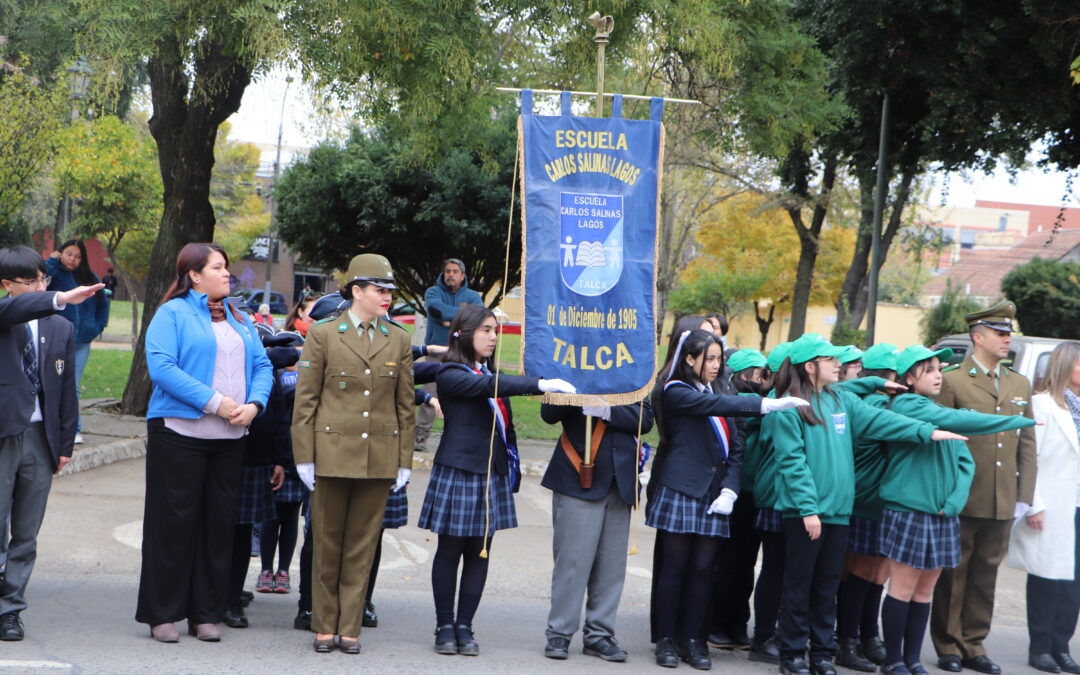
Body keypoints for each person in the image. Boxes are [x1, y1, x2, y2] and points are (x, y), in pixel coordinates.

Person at [766, 333, 965, 675]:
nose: (838, 364)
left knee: (828, 585)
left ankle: (822, 655)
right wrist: (808, 509)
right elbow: (792, 462)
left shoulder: (838, 399)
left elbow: (881, 420)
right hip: (806, 513)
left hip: (840, 512)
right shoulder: (789, 404)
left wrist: (927, 431)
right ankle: (793, 654)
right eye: (830, 360)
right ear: (810, 366)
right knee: (800, 584)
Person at [418, 304, 575, 657]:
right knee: (450, 549)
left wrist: (513, 468)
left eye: (495, 330)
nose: (493, 336)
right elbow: (488, 386)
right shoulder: (452, 373)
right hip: (459, 471)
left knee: (480, 551)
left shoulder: (485, 371)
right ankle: (444, 625)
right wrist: (540, 384)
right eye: (486, 330)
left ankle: (465, 626)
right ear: (464, 332)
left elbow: (507, 426)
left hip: (491, 472)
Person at [135, 242, 273, 643]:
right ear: (194, 275)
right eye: (218, 267)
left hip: (229, 438)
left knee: (217, 530)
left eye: (226, 267)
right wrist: (214, 402)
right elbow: (162, 368)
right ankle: (162, 613)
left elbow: (262, 364)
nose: (227, 273)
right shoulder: (172, 314)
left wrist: (254, 404)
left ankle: (204, 614)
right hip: (179, 436)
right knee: (172, 527)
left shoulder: (238, 317)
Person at [648, 329, 809, 670]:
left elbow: (736, 448)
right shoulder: (676, 391)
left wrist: (730, 489)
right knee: (675, 569)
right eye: (709, 358)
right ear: (689, 359)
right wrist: (765, 403)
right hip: (682, 487)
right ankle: (666, 640)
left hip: (715, 491)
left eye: (719, 358)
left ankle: (694, 640)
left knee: (703, 571)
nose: (715, 365)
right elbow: (713, 405)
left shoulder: (721, 390)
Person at [877, 345, 1033, 675]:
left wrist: (953, 501)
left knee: (924, 590)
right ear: (908, 377)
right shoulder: (907, 405)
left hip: (942, 513)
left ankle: (912, 659)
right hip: (910, 509)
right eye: (929, 369)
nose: (938, 375)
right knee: (902, 589)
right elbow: (955, 418)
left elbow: (964, 459)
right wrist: (1015, 418)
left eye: (938, 368)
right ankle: (893, 659)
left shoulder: (933, 407)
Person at [291, 253, 415, 654]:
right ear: (356, 291)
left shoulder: (397, 338)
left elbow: (404, 407)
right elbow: (305, 401)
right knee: (327, 542)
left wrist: (404, 460)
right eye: (380, 290)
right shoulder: (324, 333)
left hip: (377, 456)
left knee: (362, 547)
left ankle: (350, 625)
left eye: (389, 291)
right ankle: (324, 624)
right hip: (330, 453)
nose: (387, 298)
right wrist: (304, 456)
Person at [0, 246, 101, 641]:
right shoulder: (5, 315)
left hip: (41, 441)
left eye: (45, 280)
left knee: (27, 530)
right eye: (32, 282)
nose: (43, 288)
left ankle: (11, 608)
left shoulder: (60, 327)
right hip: (5, 434)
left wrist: (64, 443)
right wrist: (58, 297)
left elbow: (66, 392)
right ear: (6, 286)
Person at [930, 301, 1037, 675]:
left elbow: (1026, 444)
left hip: (1003, 496)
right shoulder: (954, 381)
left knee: (986, 575)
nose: (1007, 340)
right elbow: (942, 441)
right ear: (978, 337)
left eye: (1009, 335)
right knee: (953, 571)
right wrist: (945, 491)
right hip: (964, 492)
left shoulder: (1018, 383)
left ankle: (974, 643)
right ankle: (948, 644)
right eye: (1000, 334)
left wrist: (1025, 495)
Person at [540, 396, 654, 663]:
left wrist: (606, 410)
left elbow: (645, 420)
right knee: (572, 563)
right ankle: (560, 631)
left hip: (620, 481)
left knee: (611, 568)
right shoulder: (570, 362)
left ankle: (599, 634)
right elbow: (549, 413)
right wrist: (577, 391)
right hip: (579, 477)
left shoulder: (631, 367)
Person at [1007, 341, 1080, 674]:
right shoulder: (1041, 405)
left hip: (1078, 506)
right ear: (1065, 367)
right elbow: (1027, 458)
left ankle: (1062, 645)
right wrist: (1033, 504)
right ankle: (1040, 648)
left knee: (1073, 582)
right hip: (1052, 504)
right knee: (1046, 577)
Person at [835, 342, 901, 671]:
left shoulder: (865, 399)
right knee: (863, 572)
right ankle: (849, 640)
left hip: (871, 498)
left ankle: (865, 636)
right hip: (867, 498)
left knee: (873, 573)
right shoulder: (877, 405)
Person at [225, 340, 294, 628]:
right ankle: (208, 595)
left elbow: (278, 416)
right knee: (212, 529)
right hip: (217, 451)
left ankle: (230, 600)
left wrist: (280, 460)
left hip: (255, 457)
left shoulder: (263, 365)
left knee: (241, 531)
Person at [46, 239, 110, 443]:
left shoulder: (89, 277)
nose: (73, 259)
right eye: (68, 254)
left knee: (72, 384)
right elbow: (40, 287)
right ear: (60, 253)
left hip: (82, 341)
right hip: (55, 339)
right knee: (52, 383)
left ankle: (74, 430)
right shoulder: (53, 274)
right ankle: (52, 427)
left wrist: (97, 326)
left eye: (78, 256)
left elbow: (103, 304)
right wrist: (51, 260)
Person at [416, 258, 484, 451]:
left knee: (462, 398)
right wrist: (461, 316)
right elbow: (436, 311)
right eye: (448, 271)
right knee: (429, 397)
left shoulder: (472, 296)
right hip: (435, 354)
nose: (451, 275)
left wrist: (452, 326)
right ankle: (420, 438)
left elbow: (476, 319)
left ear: (463, 276)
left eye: (455, 271)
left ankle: (460, 439)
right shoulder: (433, 292)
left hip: (462, 355)